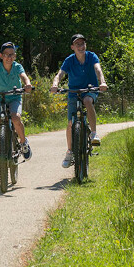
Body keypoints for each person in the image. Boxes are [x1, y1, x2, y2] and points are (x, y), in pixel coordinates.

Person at [49, 33, 108, 168]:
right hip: (73, 92)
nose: (81, 46)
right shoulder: (69, 60)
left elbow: (98, 69)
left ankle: (93, 134)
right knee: (70, 123)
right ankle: (69, 152)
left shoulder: (92, 56)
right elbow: (60, 74)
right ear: (72, 47)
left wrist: (102, 82)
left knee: (87, 101)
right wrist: (55, 85)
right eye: (77, 44)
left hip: (90, 89)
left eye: (82, 43)